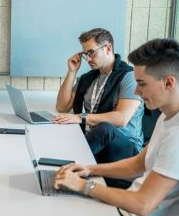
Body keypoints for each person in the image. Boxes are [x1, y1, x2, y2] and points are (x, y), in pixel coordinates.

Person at [54, 38, 179, 216]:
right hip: (124, 209)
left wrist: (84, 187)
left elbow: (143, 204)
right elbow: (137, 163)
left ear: (168, 83)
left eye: (141, 83)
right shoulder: (168, 116)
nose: (135, 91)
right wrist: (89, 170)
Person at [54, 28, 144, 164]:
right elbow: (62, 106)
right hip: (95, 140)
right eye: (85, 54)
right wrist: (72, 72)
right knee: (63, 128)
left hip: (127, 148)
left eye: (91, 53)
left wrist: (80, 117)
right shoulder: (87, 78)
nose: (88, 59)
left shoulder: (129, 77)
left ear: (108, 48)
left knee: (105, 128)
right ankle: (63, 162)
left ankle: (66, 165)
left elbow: (122, 118)